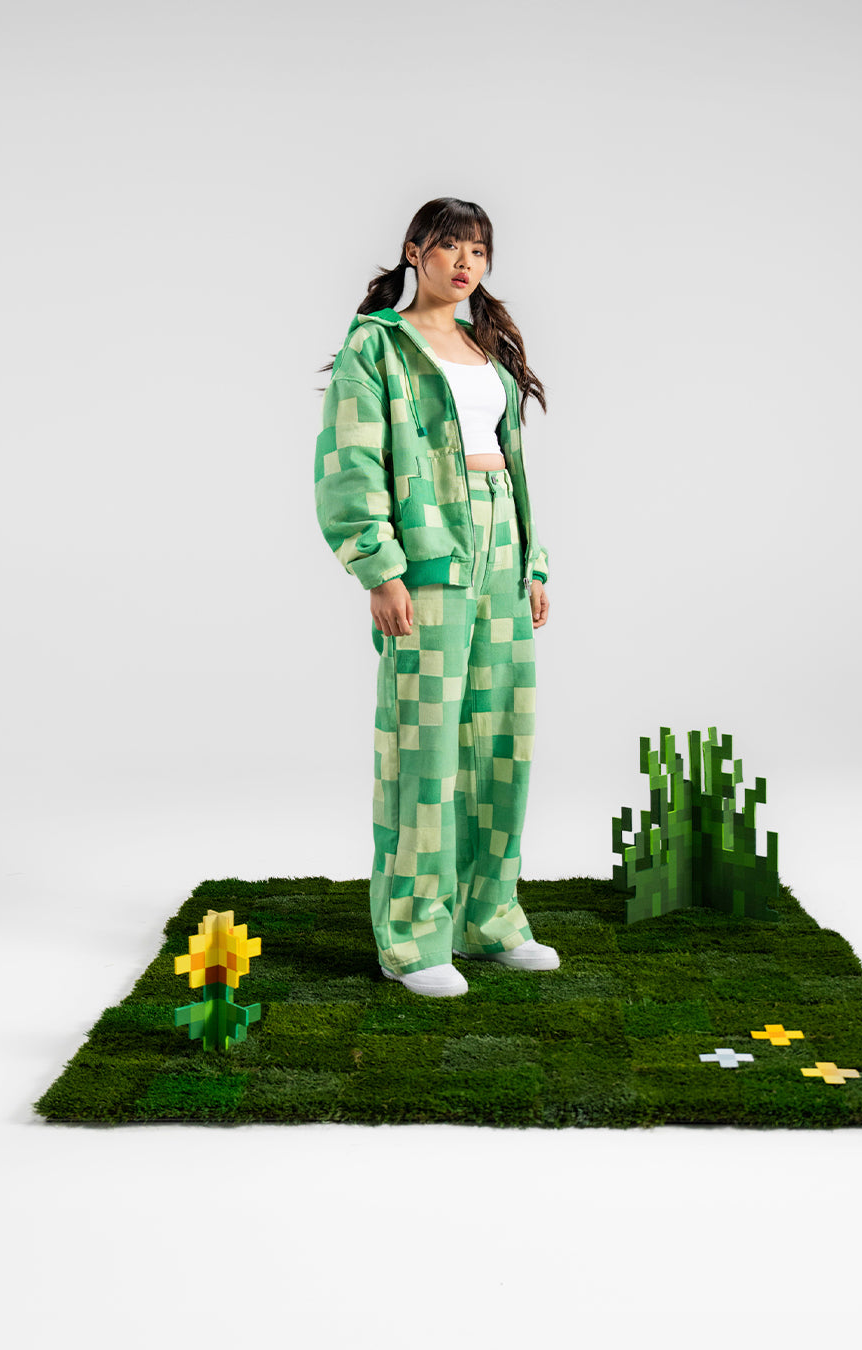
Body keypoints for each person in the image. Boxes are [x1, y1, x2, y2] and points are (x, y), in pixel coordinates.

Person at [314, 196, 559, 998]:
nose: (465, 263)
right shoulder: (378, 346)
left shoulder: (484, 347)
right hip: (428, 552)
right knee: (424, 750)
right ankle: (413, 939)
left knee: (501, 739)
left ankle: (490, 919)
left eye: (479, 251)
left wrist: (534, 565)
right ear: (415, 250)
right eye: (451, 245)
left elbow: (511, 460)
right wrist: (379, 567)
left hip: (502, 548)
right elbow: (351, 457)